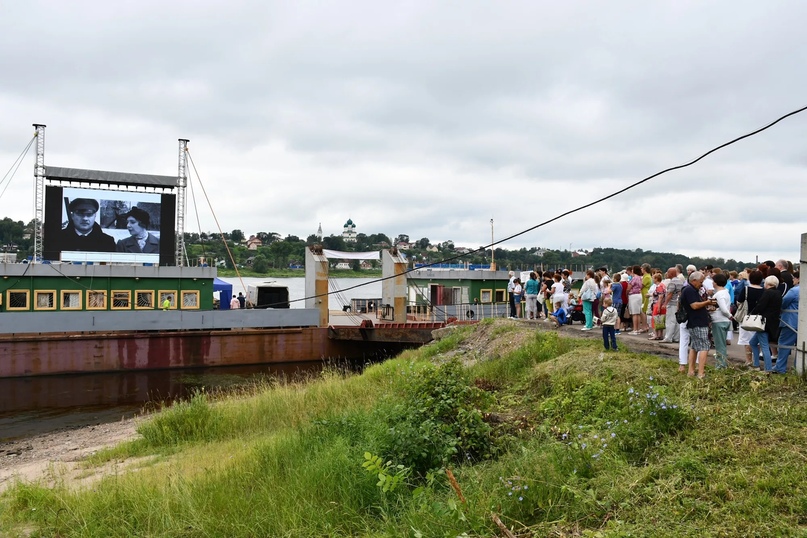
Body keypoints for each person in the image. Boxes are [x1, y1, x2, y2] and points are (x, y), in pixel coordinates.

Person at [681, 271, 716, 379]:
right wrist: (707, 302)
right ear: (694, 280)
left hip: (694, 322)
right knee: (704, 346)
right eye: (701, 282)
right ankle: (701, 373)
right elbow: (694, 306)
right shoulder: (690, 290)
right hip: (698, 322)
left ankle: (691, 371)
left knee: (694, 346)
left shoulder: (690, 290)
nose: (701, 284)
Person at [748, 275, 783, 372]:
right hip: (773, 322)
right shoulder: (778, 293)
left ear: (767, 283)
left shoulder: (767, 293)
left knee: (763, 346)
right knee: (753, 342)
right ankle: (756, 365)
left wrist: (751, 314)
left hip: (763, 322)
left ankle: (767, 369)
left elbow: (760, 306)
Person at [773, 271, 799, 374]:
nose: (793, 280)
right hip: (803, 323)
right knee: (801, 346)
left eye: (794, 278)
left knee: (784, 344)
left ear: (798, 278)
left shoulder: (794, 291)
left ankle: (780, 367)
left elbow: (783, 303)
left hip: (790, 322)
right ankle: (798, 367)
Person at [710, 273, 733, 369]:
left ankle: (721, 366)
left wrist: (729, 315)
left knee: (720, 345)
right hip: (724, 321)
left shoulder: (719, 294)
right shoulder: (726, 292)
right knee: (722, 344)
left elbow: (723, 308)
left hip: (719, 321)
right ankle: (723, 364)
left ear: (715, 282)